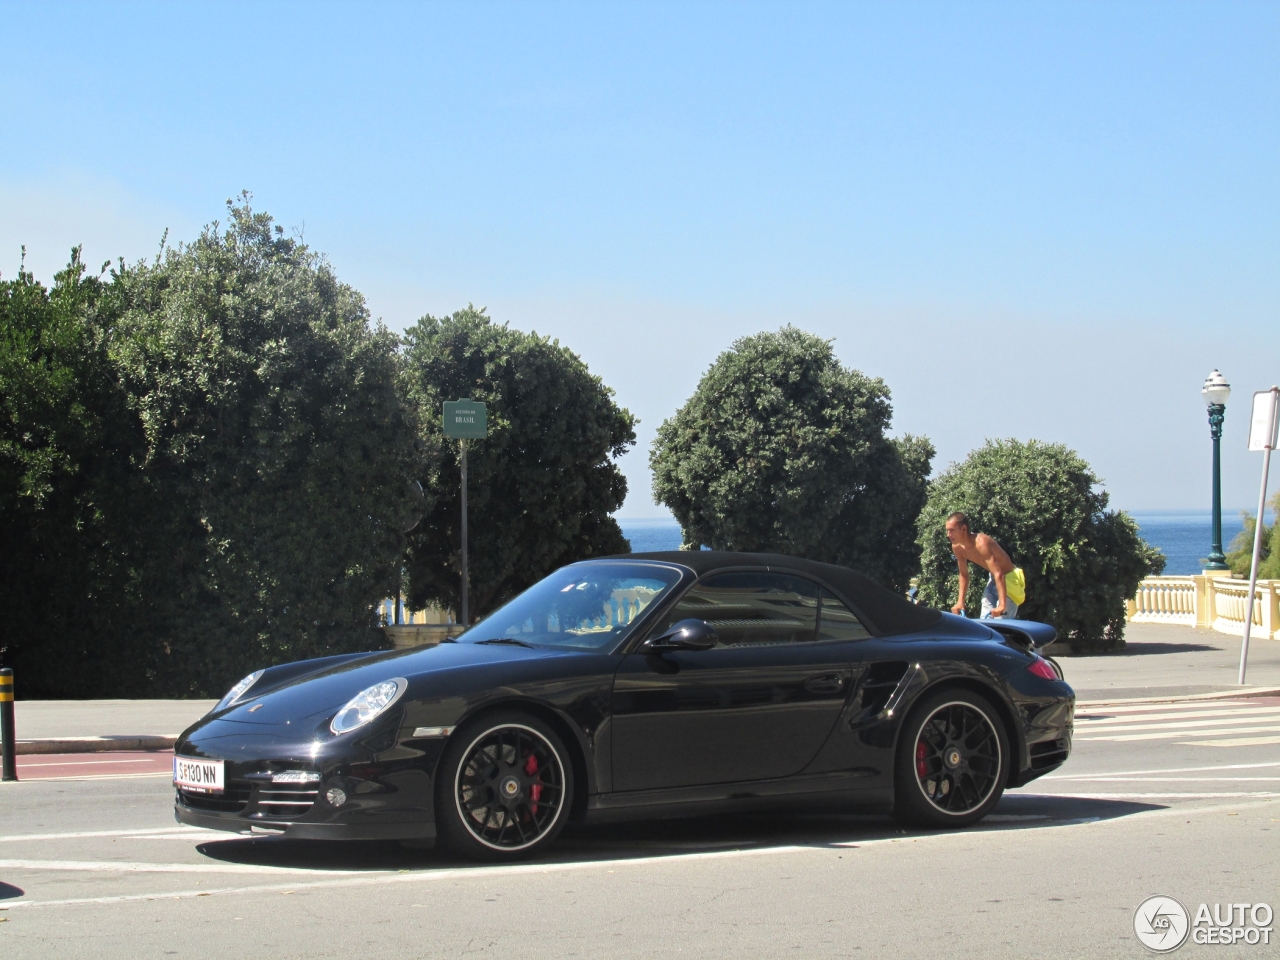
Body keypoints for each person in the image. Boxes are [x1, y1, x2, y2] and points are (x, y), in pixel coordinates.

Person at [944, 512, 1026, 619]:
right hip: (994, 579)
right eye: (947, 531)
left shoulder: (982, 543)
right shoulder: (957, 547)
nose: (948, 535)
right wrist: (960, 602)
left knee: (1002, 625)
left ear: (964, 529)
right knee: (985, 622)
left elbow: (999, 574)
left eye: (952, 530)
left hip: (1009, 579)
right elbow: (963, 574)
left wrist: (1002, 605)